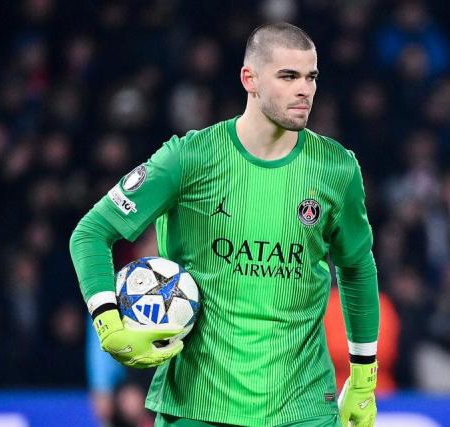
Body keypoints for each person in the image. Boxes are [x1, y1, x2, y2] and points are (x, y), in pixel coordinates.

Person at [69, 23, 380, 427]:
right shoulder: (189, 158)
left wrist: (363, 378)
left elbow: (357, 267)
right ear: (249, 78)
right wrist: (108, 323)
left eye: (311, 77)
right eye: (288, 76)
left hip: (303, 409)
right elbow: (91, 233)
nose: (304, 89)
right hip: (198, 407)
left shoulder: (336, 169)